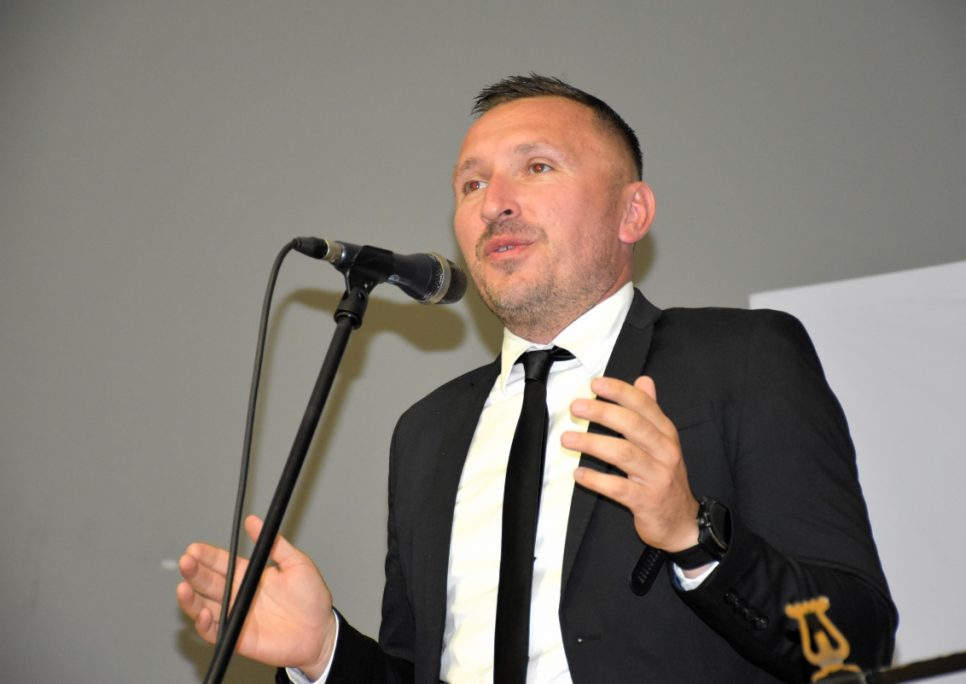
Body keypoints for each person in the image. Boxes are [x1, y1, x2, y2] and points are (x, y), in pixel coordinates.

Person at [178, 74, 897, 683]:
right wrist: (323, 651)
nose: (493, 202)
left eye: (538, 168)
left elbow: (854, 641)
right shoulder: (426, 433)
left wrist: (695, 536)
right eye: (471, 183)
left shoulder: (741, 358)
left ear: (632, 212)